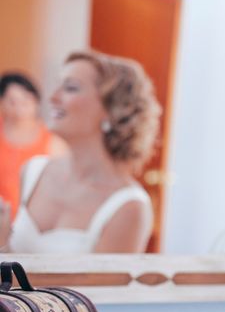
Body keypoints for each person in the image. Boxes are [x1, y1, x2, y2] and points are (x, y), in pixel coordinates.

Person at [0, 51, 160, 253]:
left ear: (111, 109)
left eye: (70, 87)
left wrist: (2, 247)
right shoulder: (33, 172)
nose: (53, 97)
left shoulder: (129, 207)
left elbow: (96, 286)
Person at [0, 72, 67, 219]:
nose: (20, 107)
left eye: (25, 99)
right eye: (12, 101)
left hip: (31, 221)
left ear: (36, 100)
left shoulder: (53, 141)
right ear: (2, 103)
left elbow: (61, 188)